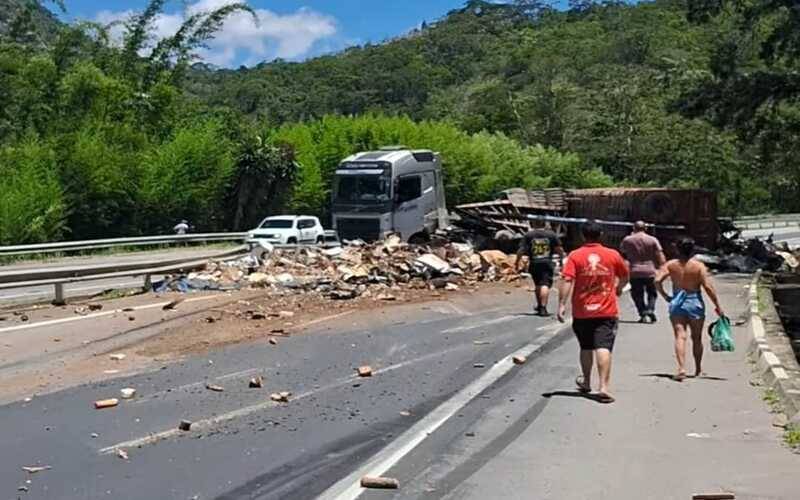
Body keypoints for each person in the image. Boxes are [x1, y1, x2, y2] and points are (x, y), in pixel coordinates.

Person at [557, 221, 629, 403]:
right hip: (606, 310)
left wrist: (561, 304)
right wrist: (619, 288)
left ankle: (587, 381)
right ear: (601, 234)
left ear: (583, 235)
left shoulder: (575, 255)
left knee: (586, 347)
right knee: (603, 347)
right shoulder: (612, 254)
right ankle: (603, 386)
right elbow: (625, 274)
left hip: (582, 311)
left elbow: (567, 280)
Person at [655, 237, 724, 381]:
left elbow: (657, 280)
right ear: (692, 250)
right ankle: (698, 369)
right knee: (697, 337)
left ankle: (681, 368)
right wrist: (717, 306)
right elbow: (708, 287)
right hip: (694, 302)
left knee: (680, 336)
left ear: (677, 249)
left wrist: (665, 296)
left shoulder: (671, 265)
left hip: (677, 302)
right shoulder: (698, 266)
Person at [620, 221, 666, 323]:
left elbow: (623, 252)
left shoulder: (627, 240)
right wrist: (663, 268)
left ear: (633, 228)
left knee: (637, 294)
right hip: (650, 270)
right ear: (645, 228)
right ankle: (650, 309)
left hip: (634, 270)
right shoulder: (652, 239)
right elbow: (660, 255)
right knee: (652, 293)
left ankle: (643, 312)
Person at [516, 223, 565, 316]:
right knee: (545, 284)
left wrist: (517, 261)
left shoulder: (529, 235)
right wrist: (562, 259)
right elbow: (559, 249)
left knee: (538, 284)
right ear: (545, 224)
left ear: (532, 224)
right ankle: (543, 307)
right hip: (547, 262)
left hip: (534, 262)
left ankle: (539, 305)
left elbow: (521, 250)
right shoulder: (551, 234)